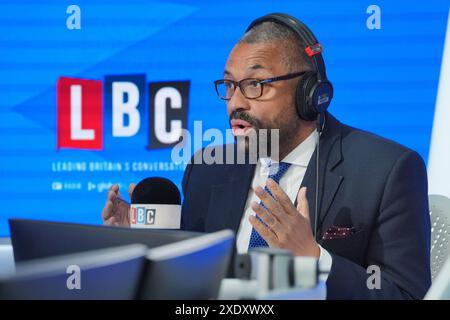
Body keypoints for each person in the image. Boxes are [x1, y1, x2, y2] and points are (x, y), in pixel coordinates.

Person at [101, 13, 431, 299]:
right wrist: (143, 244)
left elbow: (405, 294)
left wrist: (315, 259)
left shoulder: (386, 171)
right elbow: (190, 280)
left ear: (310, 93)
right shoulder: (208, 169)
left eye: (256, 85)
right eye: (229, 86)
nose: (236, 103)